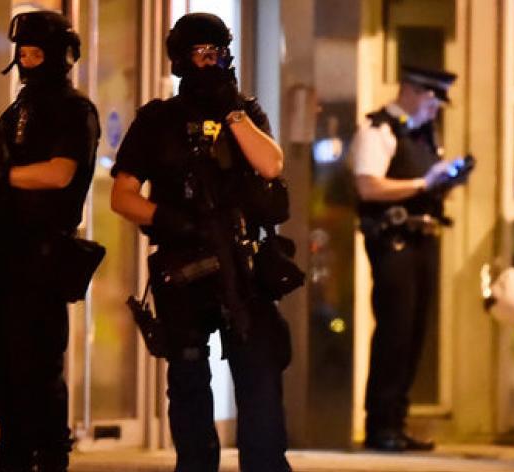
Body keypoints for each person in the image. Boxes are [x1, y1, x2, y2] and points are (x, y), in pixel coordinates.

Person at [110, 12, 293, 472]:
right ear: (181, 58)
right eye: (204, 53)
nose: (215, 61)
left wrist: (231, 111)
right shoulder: (157, 120)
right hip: (184, 265)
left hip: (241, 264)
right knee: (189, 378)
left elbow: (271, 165)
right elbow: (122, 195)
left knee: (259, 374)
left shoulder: (243, 112)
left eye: (221, 52)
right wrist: (168, 219)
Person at [0, 10, 100, 472]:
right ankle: (12, 454)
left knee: (37, 369)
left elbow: (60, 172)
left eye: (35, 52)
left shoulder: (72, 109)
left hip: (41, 256)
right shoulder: (18, 110)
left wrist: (0, 177)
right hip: (2, 255)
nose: (27, 61)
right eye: (22, 52)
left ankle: (48, 456)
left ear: (61, 56)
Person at [351, 65, 462, 452]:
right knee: (394, 332)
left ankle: (396, 422)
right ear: (411, 91)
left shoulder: (423, 134)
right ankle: (380, 425)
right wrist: (422, 183)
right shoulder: (379, 130)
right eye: (432, 99)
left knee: (414, 335)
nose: (436, 109)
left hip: (423, 238)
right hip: (393, 241)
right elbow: (368, 185)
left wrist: (444, 182)